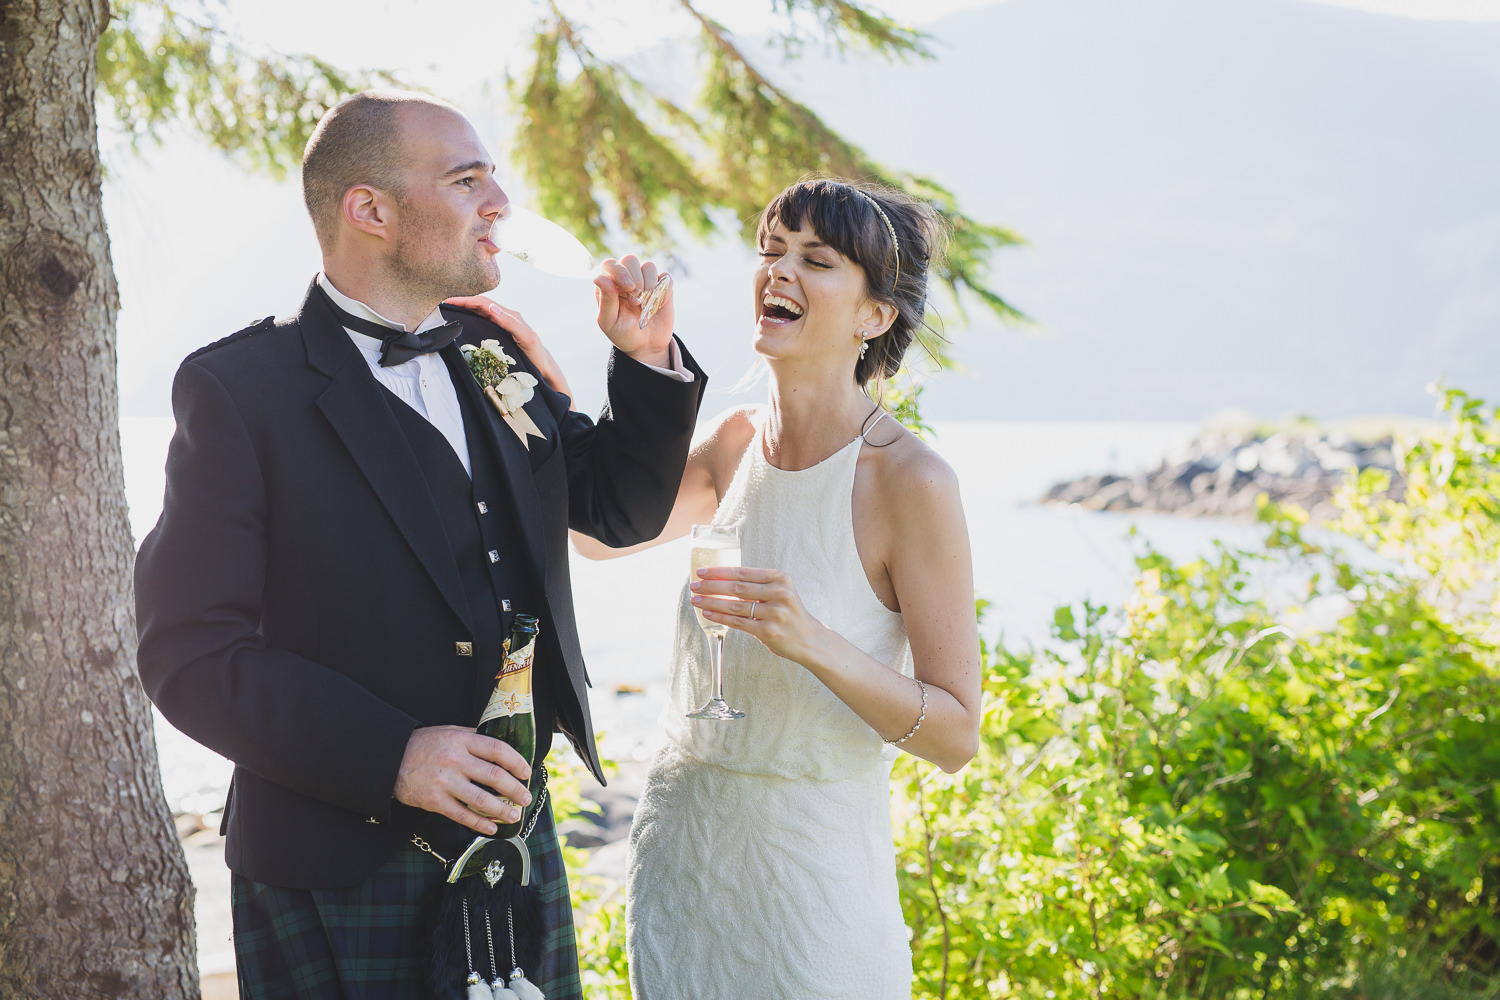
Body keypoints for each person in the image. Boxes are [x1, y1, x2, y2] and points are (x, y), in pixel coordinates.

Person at [133, 89, 706, 1000]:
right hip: (336, 857)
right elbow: (188, 654)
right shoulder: (240, 391)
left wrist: (643, 360)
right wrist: (394, 755)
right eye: (468, 179)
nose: (500, 205)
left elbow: (617, 512)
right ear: (371, 210)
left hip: (510, 836)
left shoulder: (494, 352)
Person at [552, 178, 982, 999]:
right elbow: (598, 537)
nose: (778, 272)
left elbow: (955, 735)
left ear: (875, 315)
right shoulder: (732, 442)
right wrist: (639, 360)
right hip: (682, 865)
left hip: (814, 886)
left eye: (815, 260)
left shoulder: (910, 481)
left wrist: (812, 642)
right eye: (771, 250)